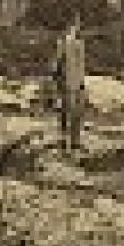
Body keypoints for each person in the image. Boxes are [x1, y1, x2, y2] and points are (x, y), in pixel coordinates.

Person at [50, 16, 87, 151]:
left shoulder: (81, 44)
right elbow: (56, 65)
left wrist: (82, 82)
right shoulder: (64, 43)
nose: (79, 29)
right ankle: (65, 142)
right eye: (76, 26)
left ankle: (75, 142)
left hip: (78, 83)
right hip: (67, 82)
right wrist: (59, 83)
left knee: (78, 113)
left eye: (80, 26)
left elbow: (81, 65)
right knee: (67, 113)